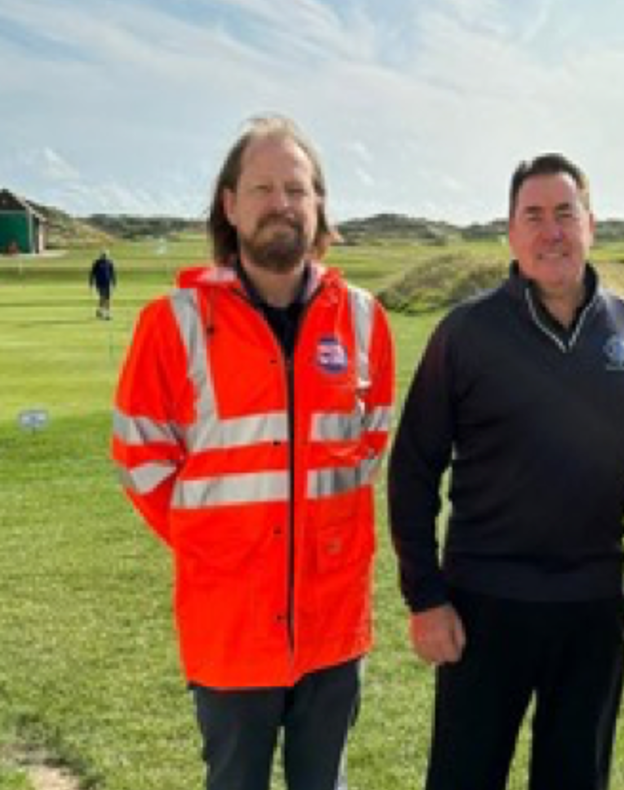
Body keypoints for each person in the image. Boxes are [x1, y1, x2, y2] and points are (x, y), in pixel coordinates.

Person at [387, 152, 624, 790]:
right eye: (534, 215)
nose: (550, 230)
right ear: (511, 231)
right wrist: (426, 596)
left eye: (565, 213)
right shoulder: (466, 332)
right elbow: (414, 467)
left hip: (591, 610)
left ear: (591, 224)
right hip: (481, 607)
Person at [110, 114, 395, 790]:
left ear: (318, 205)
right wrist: (214, 542)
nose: (281, 204)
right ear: (230, 206)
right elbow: (140, 459)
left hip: (332, 623)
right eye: (262, 188)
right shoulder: (173, 322)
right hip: (230, 626)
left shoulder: (361, 318)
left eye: (296, 189)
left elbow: (370, 443)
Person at [89, 249, 117, 319]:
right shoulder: (97, 263)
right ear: (101, 255)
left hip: (107, 283)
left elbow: (112, 273)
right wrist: (91, 282)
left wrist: (114, 282)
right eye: (103, 254)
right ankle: (102, 312)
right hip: (99, 283)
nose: (104, 256)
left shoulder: (110, 263)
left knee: (107, 299)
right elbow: (92, 273)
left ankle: (106, 314)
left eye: (106, 255)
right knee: (102, 297)